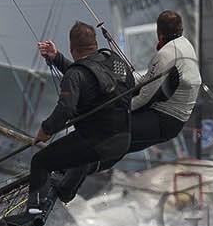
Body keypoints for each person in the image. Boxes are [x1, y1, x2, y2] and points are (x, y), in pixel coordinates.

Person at [47, 11, 200, 188]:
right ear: (180, 29)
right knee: (118, 145)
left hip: (164, 118)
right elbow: (145, 80)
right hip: (171, 119)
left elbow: (144, 97)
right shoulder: (184, 44)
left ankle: (66, 178)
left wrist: (116, 110)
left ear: (159, 32)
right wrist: (120, 81)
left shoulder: (165, 55)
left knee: (109, 132)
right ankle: (70, 175)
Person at [15, 21, 134, 226]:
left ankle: (32, 213)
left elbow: (66, 109)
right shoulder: (115, 62)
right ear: (95, 43)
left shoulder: (76, 75)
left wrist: (46, 130)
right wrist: (57, 59)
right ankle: (66, 191)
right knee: (77, 157)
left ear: (72, 48)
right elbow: (91, 78)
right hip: (124, 140)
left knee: (41, 162)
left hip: (98, 143)